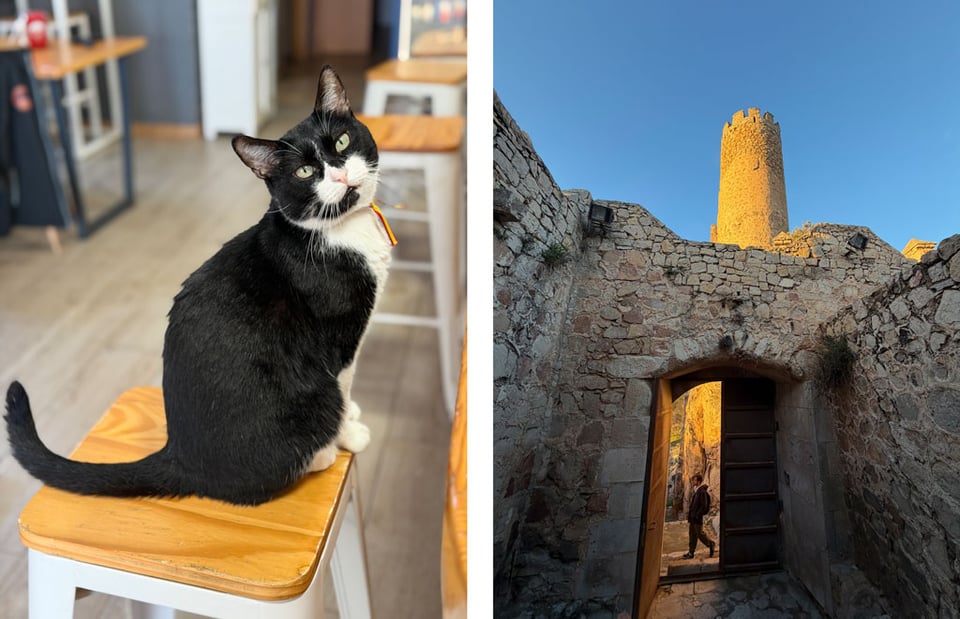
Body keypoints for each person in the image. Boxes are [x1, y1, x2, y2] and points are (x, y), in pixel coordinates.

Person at [683, 473, 716, 559]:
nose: (693, 481)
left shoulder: (702, 492)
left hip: (697, 518)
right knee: (692, 535)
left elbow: (704, 506)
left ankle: (711, 544)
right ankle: (691, 553)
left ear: (698, 481)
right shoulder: (697, 490)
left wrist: (697, 515)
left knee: (700, 534)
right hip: (693, 518)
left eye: (694, 480)